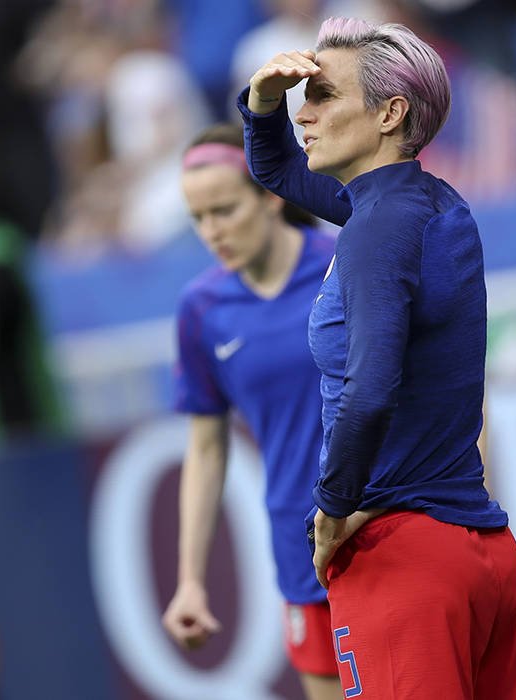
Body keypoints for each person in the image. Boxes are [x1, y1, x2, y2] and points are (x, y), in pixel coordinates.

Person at [236, 18, 516, 699]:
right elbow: (276, 165)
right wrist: (261, 101)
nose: (303, 113)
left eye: (322, 96)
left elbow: (370, 388)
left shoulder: (375, 227)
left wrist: (331, 509)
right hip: (481, 550)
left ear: (391, 112)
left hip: (404, 559)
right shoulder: (426, 201)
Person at [162, 124, 342, 700]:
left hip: (389, 526)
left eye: (224, 210)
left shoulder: (348, 263)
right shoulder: (201, 310)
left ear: (268, 193)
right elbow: (207, 447)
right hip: (302, 552)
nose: (213, 232)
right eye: (198, 218)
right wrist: (190, 581)